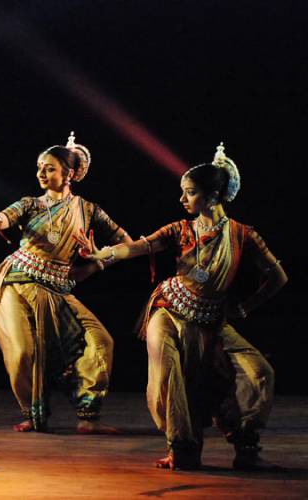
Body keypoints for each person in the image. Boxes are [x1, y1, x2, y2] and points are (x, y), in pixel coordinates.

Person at [77, 143, 287, 470]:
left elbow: (278, 277)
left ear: (213, 195)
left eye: (189, 193)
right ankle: (182, 448)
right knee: (167, 377)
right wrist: (102, 254)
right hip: (169, 309)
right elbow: (138, 247)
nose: (182, 199)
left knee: (258, 373)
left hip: (211, 319)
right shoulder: (181, 229)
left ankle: (246, 446)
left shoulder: (244, 235)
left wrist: (246, 308)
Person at [0, 132, 131, 434]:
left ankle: (88, 416)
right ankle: (32, 414)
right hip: (17, 283)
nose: (41, 173)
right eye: (39, 167)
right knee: (23, 352)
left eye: (49, 168)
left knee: (100, 341)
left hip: (58, 289)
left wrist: (98, 260)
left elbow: (126, 244)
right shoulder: (30, 204)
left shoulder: (89, 211)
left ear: (69, 174)